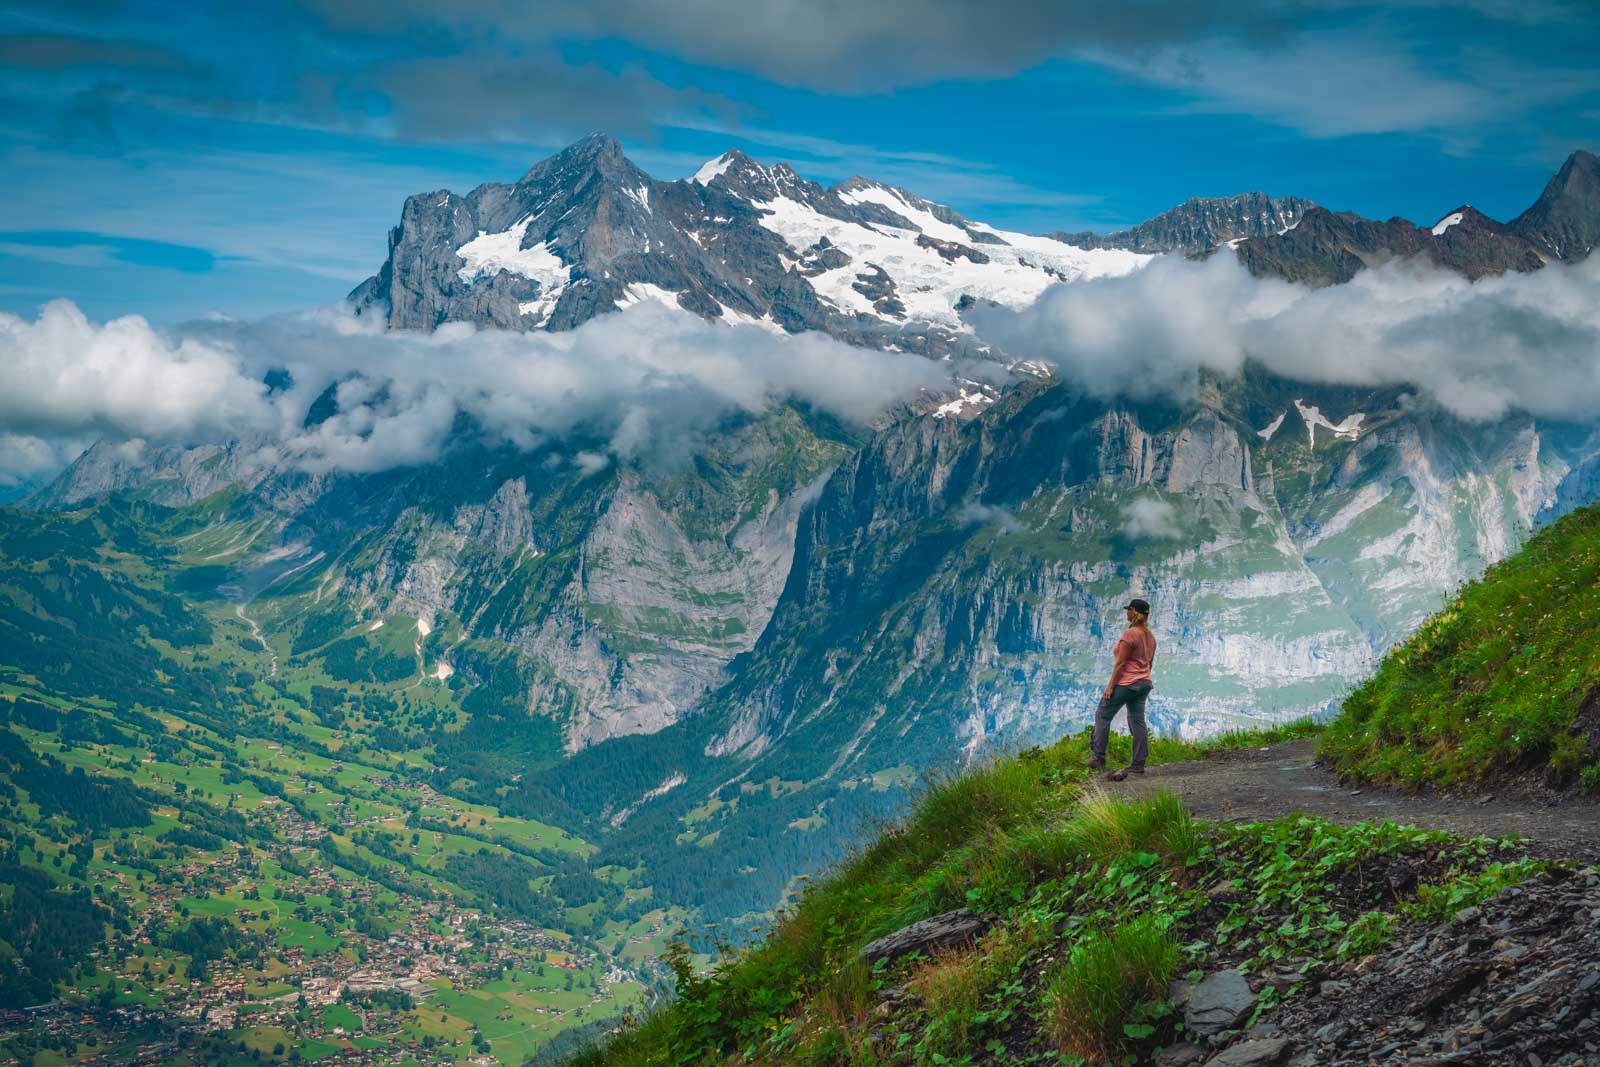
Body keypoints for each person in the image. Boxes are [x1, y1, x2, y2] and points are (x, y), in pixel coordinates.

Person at [1085, 597, 1156, 781]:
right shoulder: (1151, 637)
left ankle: (1098, 757)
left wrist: (1110, 687)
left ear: (1135, 613)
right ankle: (1138, 764)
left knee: (1103, 714)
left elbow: (1120, 664)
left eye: (1129, 610)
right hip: (1144, 683)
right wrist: (1143, 679)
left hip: (1127, 683)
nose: (1126, 613)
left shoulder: (1130, 634)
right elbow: (1150, 663)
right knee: (1137, 720)